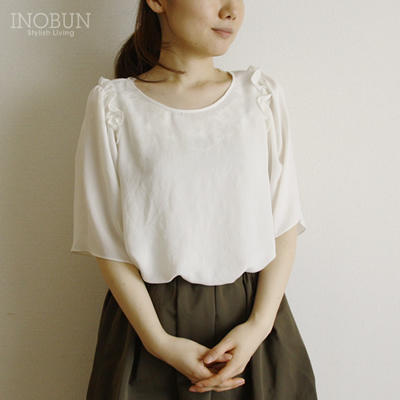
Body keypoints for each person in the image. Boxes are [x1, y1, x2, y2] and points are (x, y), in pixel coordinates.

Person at [71, 0, 318, 398]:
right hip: (148, 330)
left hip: (255, 326)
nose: (231, 10)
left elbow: (284, 222)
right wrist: (158, 341)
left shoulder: (261, 96)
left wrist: (258, 326)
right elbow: (106, 240)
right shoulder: (114, 105)